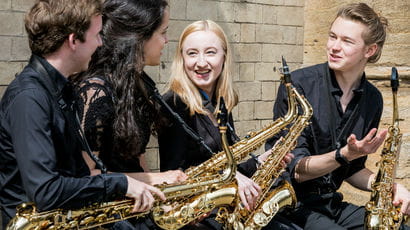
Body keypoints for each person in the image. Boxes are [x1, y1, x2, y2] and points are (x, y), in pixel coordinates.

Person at [0, 0, 165, 229]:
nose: (101, 44)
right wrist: (120, 183)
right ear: (73, 40)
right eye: (97, 35)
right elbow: (45, 191)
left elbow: (76, 174)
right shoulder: (29, 98)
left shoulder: (61, 90)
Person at [266, 3, 410, 229]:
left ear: (369, 50)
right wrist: (344, 154)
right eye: (332, 37)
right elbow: (296, 169)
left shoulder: (372, 99)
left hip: (330, 204)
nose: (334, 46)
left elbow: (353, 169)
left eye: (346, 41)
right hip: (290, 206)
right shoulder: (298, 85)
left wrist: (388, 185)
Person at [158, 20, 297, 230]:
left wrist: (261, 162)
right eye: (192, 53)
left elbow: (228, 163)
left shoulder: (220, 102)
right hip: (197, 218)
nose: (201, 62)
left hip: (223, 210)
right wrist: (229, 180)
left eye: (210, 52)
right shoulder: (174, 103)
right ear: (182, 58)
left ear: (224, 56)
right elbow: (174, 175)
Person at [73, 0, 187, 229]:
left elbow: (135, 156)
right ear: (138, 37)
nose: (166, 41)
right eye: (163, 32)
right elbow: (83, 178)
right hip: (104, 216)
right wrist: (155, 179)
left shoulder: (137, 83)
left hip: (134, 206)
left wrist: (159, 197)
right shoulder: (95, 92)